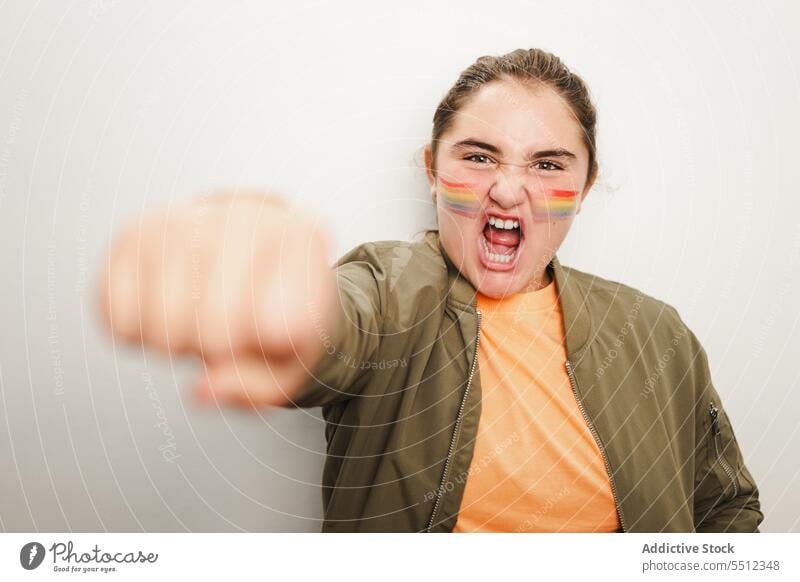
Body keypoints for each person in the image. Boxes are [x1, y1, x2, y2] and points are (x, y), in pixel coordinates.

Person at [97, 48, 763, 533]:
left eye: (548, 165)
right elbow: (339, 326)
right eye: (478, 156)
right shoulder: (389, 290)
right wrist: (272, 305)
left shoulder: (657, 333)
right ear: (433, 170)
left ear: (584, 189)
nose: (508, 189)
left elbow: (725, 509)